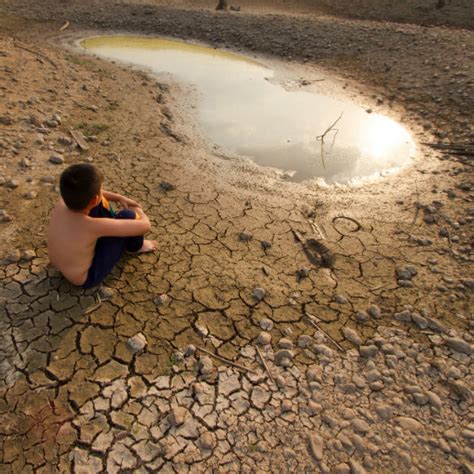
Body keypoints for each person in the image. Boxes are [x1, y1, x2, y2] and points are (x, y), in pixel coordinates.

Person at [48, 163, 157, 288]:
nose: (102, 191)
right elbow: (145, 226)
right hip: (86, 277)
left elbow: (94, 195)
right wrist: (138, 210)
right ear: (94, 199)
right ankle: (136, 247)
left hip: (60, 264)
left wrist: (118, 197)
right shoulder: (92, 226)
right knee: (127, 215)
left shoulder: (62, 203)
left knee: (94, 203)